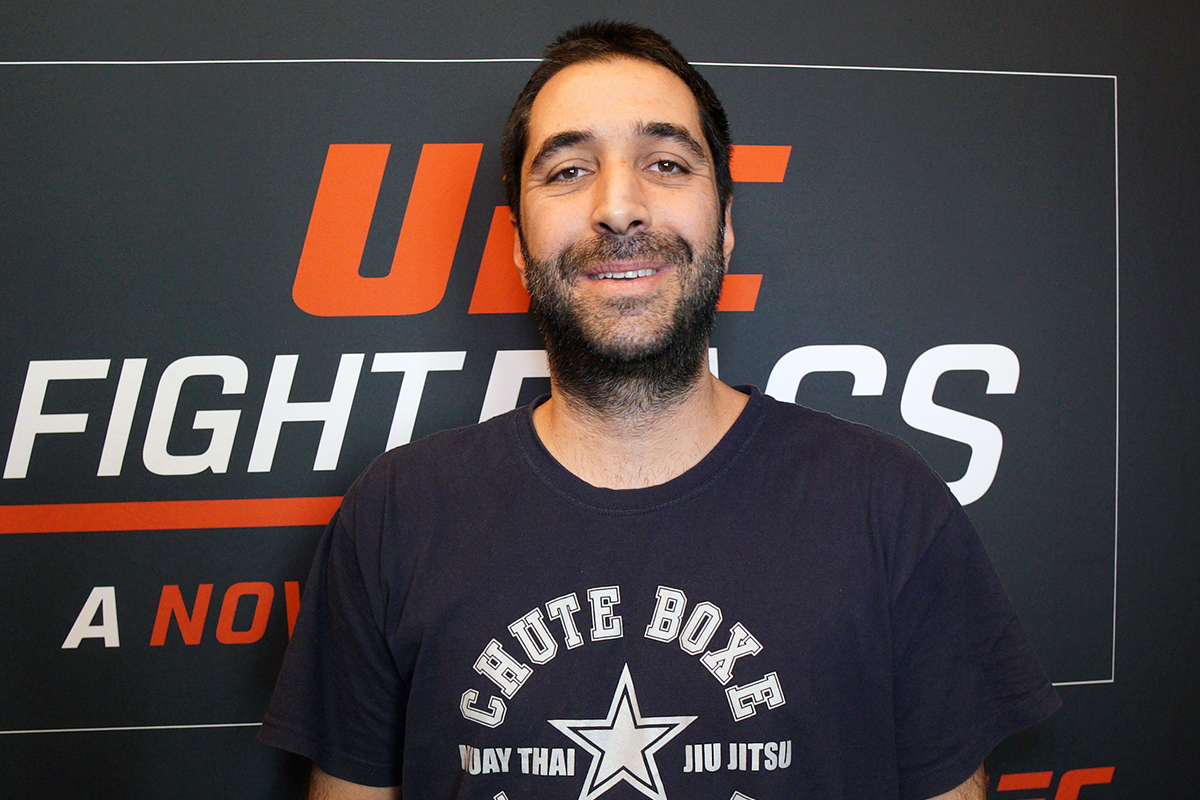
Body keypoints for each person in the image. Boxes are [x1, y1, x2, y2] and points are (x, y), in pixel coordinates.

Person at [259, 21, 1060, 800]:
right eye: (568, 170)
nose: (619, 207)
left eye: (667, 163)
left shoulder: (886, 503)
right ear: (516, 244)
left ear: (726, 225)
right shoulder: (397, 514)